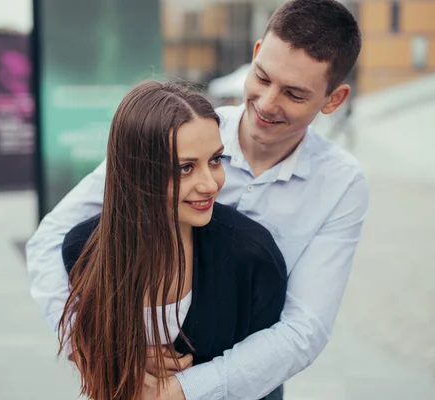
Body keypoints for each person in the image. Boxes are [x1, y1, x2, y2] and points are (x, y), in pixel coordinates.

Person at [26, 0, 369, 398]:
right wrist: (93, 348)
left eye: (294, 94)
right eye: (262, 77)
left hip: (247, 389)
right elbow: (50, 238)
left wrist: (184, 389)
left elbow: (304, 327)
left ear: (333, 99)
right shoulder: (186, 128)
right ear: (256, 54)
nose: (267, 103)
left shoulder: (341, 184)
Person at [59, 80, 287, 400]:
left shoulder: (252, 257)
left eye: (215, 160)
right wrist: (120, 358)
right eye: (185, 168)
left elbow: (265, 379)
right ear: (136, 171)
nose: (210, 184)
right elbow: (89, 347)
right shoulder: (83, 249)